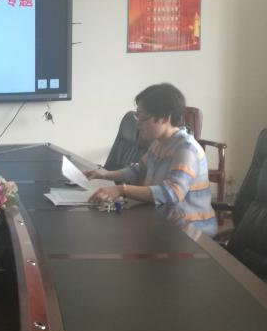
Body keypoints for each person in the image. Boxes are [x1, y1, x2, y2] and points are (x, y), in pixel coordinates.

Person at [85, 83, 218, 237]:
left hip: (191, 231)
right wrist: (105, 174)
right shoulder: (159, 143)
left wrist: (122, 190)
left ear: (164, 118)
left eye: (142, 118)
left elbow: (173, 193)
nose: (138, 124)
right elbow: (138, 170)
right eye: (137, 117)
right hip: (163, 222)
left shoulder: (186, 149)